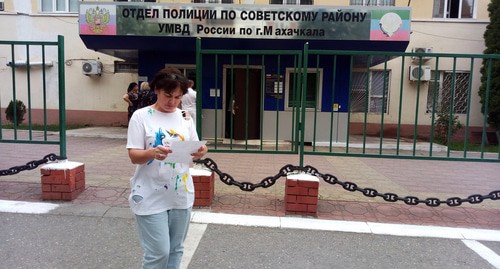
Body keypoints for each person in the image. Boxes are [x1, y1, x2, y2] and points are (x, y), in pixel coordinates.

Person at [126, 67, 208, 269]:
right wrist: (152, 153)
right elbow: (134, 156)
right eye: (168, 95)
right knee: (158, 253)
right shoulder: (141, 116)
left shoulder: (184, 116)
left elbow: (197, 145)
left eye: (178, 97)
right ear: (157, 90)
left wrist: (201, 151)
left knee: (176, 249)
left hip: (180, 192)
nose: (172, 102)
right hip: (149, 192)